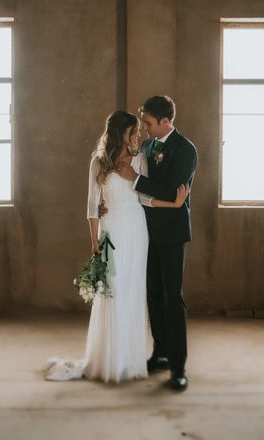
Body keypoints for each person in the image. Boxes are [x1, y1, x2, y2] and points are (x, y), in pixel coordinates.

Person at [44, 110, 188, 383]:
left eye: (138, 130)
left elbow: (145, 198)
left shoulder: (141, 158)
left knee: (133, 292)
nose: (137, 135)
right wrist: (94, 242)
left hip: (137, 231)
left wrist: (174, 203)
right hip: (112, 231)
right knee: (114, 292)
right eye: (132, 130)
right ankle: (108, 360)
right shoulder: (98, 162)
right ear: (119, 132)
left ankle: (130, 361)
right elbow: (91, 207)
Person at [117, 95, 198, 392]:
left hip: (172, 233)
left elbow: (170, 191)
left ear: (166, 121)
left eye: (149, 123)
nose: (145, 128)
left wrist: (135, 179)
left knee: (172, 298)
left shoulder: (186, 150)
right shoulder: (149, 147)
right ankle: (160, 352)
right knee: (153, 293)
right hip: (145, 232)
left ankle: (179, 366)